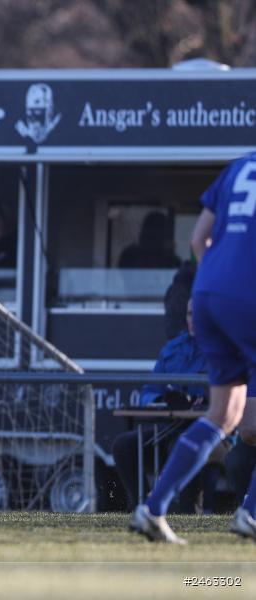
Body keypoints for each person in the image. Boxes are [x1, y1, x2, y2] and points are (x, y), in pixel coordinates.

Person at [130, 152, 256, 543]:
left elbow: (197, 239)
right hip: (247, 297)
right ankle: (251, 514)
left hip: (205, 295)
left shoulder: (239, 166)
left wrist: (220, 283)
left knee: (224, 413)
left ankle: (152, 510)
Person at [112, 300, 224, 513]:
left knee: (185, 444)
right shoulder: (173, 348)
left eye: (198, 315)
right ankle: (142, 509)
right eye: (190, 314)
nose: (193, 320)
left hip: (216, 433)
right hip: (169, 428)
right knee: (123, 445)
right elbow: (148, 392)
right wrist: (163, 398)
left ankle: (187, 514)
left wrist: (205, 399)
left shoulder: (223, 350)